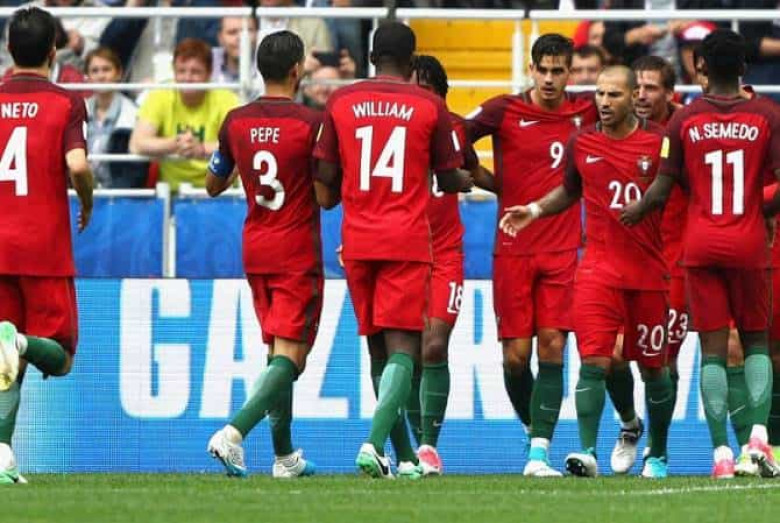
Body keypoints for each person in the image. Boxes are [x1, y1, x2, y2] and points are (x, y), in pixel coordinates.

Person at [500, 66, 675, 479]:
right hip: (598, 268)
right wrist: (535, 210)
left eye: (614, 95)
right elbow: (570, 189)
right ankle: (587, 452)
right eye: (599, 94)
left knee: (654, 368)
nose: (604, 102)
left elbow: (670, 185)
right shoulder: (582, 141)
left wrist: (645, 206)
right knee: (594, 360)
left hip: (649, 272)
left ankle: (658, 454)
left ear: (633, 98)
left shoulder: (660, 142)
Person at [313, 21, 472, 479]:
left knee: (376, 351)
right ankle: (374, 442)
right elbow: (447, 176)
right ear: (411, 59)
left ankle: (404, 458)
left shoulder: (341, 101)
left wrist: (341, 194)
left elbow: (324, 177)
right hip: (405, 238)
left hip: (357, 239)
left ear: (370, 58)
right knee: (405, 348)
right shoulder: (428, 105)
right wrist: (462, 179)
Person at [621, 29, 780, 479]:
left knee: (711, 353)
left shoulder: (685, 120)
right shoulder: (767, 115)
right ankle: (758, 440)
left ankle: (721, 455)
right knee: (755, 343)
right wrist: (761, 211)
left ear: (701, 67)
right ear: (745, 67)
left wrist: (635, 210)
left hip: (701, 243)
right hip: (748, 243)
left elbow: (662, 187)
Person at [466, 33, 597, 477]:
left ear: (570, 72)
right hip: (513, 249)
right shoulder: (504, 110)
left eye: (558, 71)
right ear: (532, 69)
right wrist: (486, 179)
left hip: (563, 248)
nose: (550, 79)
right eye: (543, 70)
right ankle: (532, 426)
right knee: (515, 358)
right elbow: (454, 135)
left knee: (553, 345)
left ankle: (539, 450)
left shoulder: (586, 112)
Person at [204, 30, 321, 479]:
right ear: (297, 69)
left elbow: (213, 184)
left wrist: (245, 166)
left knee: (277, 352)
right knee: (292, 358)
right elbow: (324, 190)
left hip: (256, 246)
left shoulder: (236, 121)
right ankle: (233, 433)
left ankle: (285, 457)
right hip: (295, 248)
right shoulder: (311, 123)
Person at [0, 6, 93, 484]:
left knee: (4, 366)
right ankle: (16, 338)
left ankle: (1, 455)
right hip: (43, 249)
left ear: (9, 49)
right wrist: (87, 200)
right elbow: (77, 165)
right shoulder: (65, 102)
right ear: (54, 51)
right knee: (59, 356)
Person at [405, 54, 482, 476]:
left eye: (422, 89)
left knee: (433, 345)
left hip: (445, 254)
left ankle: (428, 447)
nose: (414, 97)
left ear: (438, 93)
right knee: (406, 352)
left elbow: (473, 171)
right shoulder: (394, 129)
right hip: (402, 251)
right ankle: (413, 446)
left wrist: (521, 197)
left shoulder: (453, 128)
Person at [608, 55, 681, 475]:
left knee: (662, 362)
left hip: (674, 262)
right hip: (622, 263)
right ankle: (629, 423)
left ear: (670, 93)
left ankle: (658, 451)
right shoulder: (610, 130)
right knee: (612, 355)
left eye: (651, 87)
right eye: (636, 87)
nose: (640, 95)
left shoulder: (684, 130)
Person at [129, 38, 239, 191]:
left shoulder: (226, 99)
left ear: (209, 74)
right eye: (181, 71)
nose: (187, 78)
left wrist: (201, 149)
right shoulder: (159, 95)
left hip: (220, 192)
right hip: (171, 193)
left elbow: (239, 145)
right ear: (174, 72)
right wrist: (175, 144)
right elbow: (136, 145)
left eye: (195, 72)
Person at [84, 46, 144, 188]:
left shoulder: (134, 114)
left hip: (119, 194)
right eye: (95, 71)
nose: (101, 76)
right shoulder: (76, 112)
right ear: (87, 77)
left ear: (118, 74)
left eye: (106, 69)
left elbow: (135, 171)